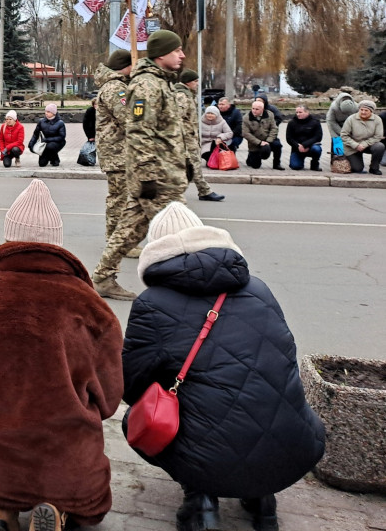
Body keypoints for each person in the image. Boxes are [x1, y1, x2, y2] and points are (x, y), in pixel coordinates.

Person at [122, 203, 325, 531]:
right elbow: (280, 361)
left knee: (137, 419)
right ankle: (262, 500)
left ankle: (200, 500)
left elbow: (131, 386)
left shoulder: (152, 303)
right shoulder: (258, 289)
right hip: (295, 445)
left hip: (213, 459)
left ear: (156, 251)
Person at [0, 180, 123, 531]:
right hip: (64, 440)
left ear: (11, 238)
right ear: (57, 243)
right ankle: (56, 507)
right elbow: (110, 390)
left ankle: (1, 508)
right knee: (86, 496)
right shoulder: (88, 302)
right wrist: (91, 409)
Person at [93, 30, 192, 302]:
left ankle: (102, 276)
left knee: (130, 229)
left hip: (167, 171)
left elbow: (167, 131)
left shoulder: (162, 83)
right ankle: (189, 288)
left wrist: (186, 163)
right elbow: (139, 130)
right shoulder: (146, 86)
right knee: (182, 230)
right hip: (157, 175)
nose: (182, 55)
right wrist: (147, 175)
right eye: (177, 50)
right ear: (161, 54)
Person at [95, 50, 133, 242]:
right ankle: (117, 241)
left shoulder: (116, 86)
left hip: (118, 151)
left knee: (122, 198)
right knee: (120, 199)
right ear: (125, 66)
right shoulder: (116, 88)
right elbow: (128, 118)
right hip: (118, 152)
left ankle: (119, 239)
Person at [176, 70, 224, 201]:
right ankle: (204, 191)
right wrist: (186, 133)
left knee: (190, 166)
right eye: (196, 81)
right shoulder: (182, 96)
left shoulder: (188, 95)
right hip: (186, 138)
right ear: (188, 82)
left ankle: (180, 192)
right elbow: (177, 118)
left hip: (189, 137)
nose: (197, 84)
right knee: (194, 164)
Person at [341, 99, 384, 175]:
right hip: (352, 147)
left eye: (366, 110)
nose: (363, 112)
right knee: (357, 169)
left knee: (379, 146)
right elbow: (344, 135)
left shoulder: (377, 119)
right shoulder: (351, 119)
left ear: (371, 111)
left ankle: (374, 168)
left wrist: (364, 144)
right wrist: (356, 145)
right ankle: (353, 158)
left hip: (369, 145)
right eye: (361, 110)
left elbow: (378, 136)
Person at [243, 97, 283, 170]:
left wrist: (268, 141)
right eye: (253, 108)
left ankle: (276, 164)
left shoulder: (270, 115)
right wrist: (259, 142)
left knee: (278, 145)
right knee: (255, 166)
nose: (254, 111)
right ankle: (250, 158)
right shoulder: (246, 118)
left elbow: (274, 128)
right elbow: (246, 134)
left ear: (262, 109)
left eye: (257, 109)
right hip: (255, 143)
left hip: (268, 140)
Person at [285, 104, 323, 171]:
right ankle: (300, 160)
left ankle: (314, 164)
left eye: (300, 112)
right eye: (297, 112)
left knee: (317, 149)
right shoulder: (291, 123)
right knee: (295, 166)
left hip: (311, 147)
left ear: (307, 112)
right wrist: (297, 146)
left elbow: (318, 137)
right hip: (297, 148)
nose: (298, 114)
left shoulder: (315, 122)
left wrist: (305, 145)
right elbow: (289, 138)